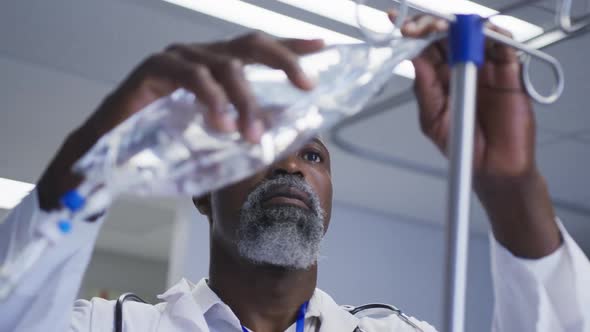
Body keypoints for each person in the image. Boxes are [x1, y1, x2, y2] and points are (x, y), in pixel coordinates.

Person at [1, 13, 589, 332]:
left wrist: (509, 187)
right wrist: (97, 147)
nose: (288, 165)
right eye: (257, 150)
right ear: (201, 191)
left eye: (311, 154)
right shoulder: (111, 327)